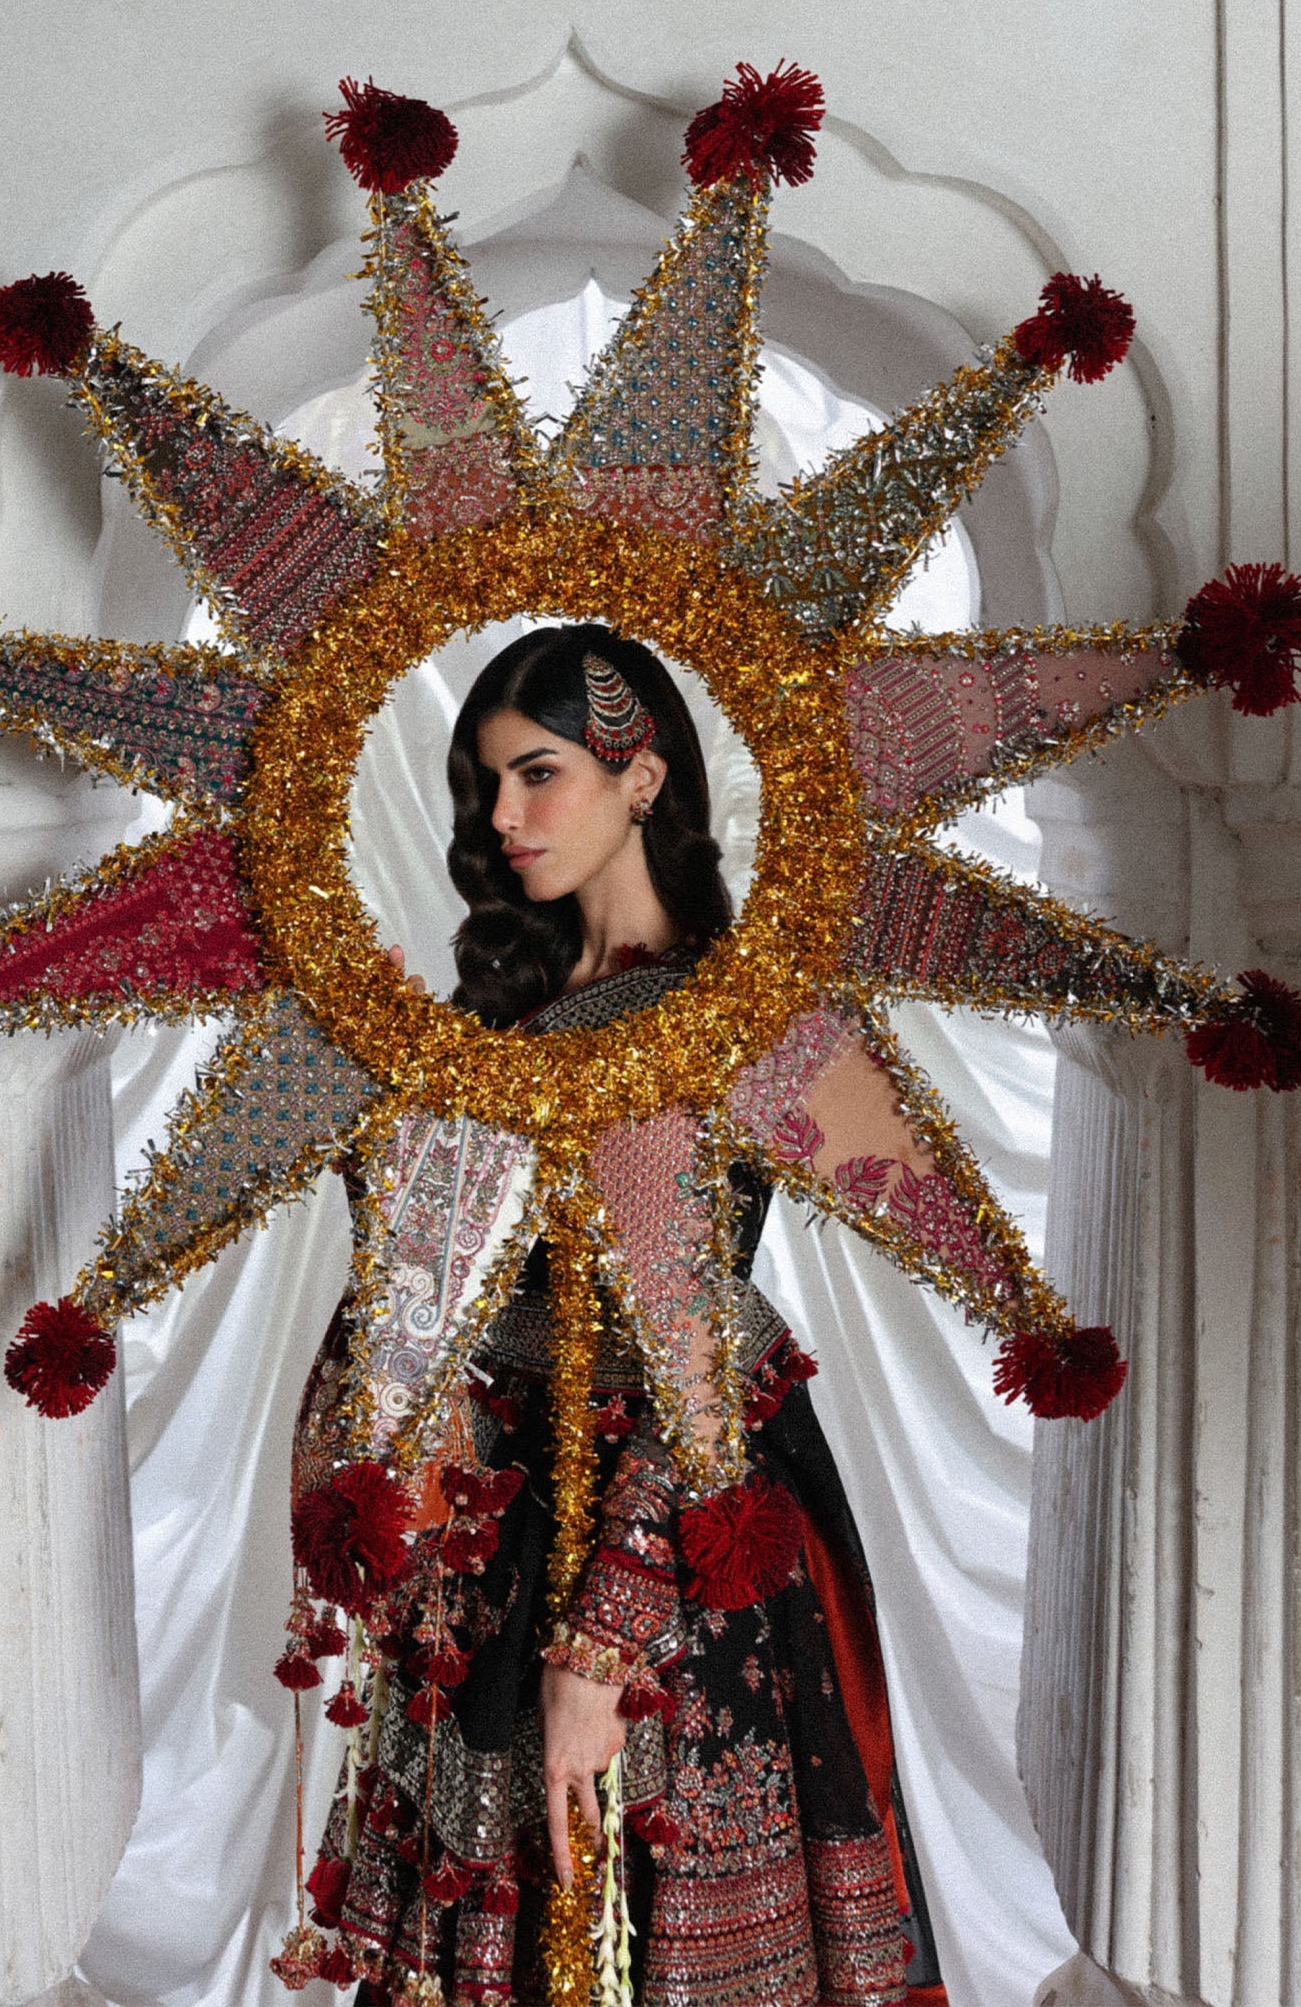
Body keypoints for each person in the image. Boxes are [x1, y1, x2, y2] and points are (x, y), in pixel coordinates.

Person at [294, 625, 947, 2007]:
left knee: (618, 1924)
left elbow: (692, 1358)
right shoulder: (506, 1005)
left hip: (659, 1548)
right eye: (487, 784)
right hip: (491, 1537)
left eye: (539, 774)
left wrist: (602, 1648)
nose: (504, 816)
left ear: (643, 777)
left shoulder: (725, 1013)